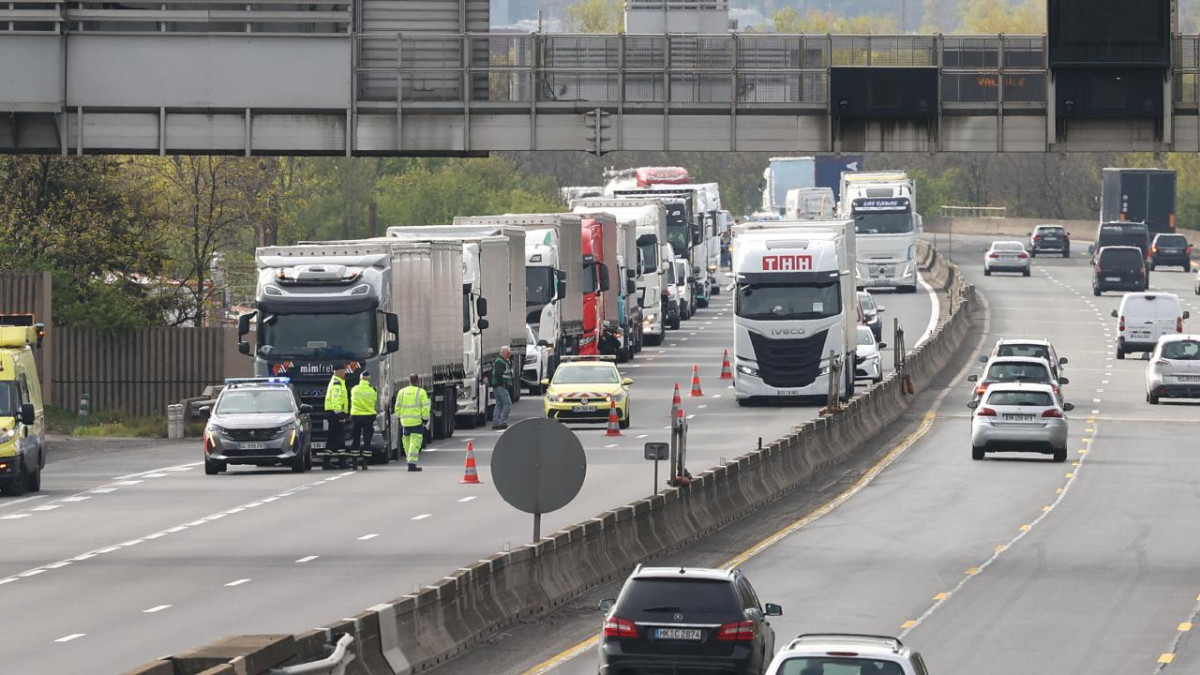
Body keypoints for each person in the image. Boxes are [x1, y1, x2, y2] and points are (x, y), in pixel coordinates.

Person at [394, 373, 430, 472]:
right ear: (418, 381)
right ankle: (412, 464)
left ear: (409, 381)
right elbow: (425, 407)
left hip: (405, 422)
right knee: (415, 442)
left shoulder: (402, 392)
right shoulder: (421, 392)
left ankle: (409, 461)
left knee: (406, 442)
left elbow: (397, 406)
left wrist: (398, 417)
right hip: (416, 422)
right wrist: (425, 419)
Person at [348, 371, 377, 470]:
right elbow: (374, 401)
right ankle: (365, 463)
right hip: (369, 417)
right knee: (367, 440)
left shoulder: (354, 389)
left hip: (356, 416)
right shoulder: (372, 391)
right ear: (369, 379)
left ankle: (355, 463)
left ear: (360, 379)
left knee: (355, 439)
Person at [323, 364, 350, 469]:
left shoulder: (337, 381)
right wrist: (340, 415)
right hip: (335, 414)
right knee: (340, 438)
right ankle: (341, 462)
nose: (345, 373)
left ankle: (327, 461)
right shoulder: (337, 383)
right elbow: (336, 400)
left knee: (332, 438)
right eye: (343, 371)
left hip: (333, 413)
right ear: (338, 371)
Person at [492, 346, 514, 430]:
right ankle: (502, 422)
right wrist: (504, 383)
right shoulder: (500, 362)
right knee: (507, 404)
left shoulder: (503, 361)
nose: (510, 354)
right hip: (501, 386)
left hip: (498, 386)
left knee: (499, 404)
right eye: (508, 353)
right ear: (503, 353)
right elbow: (498, 374)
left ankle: (496, 422)